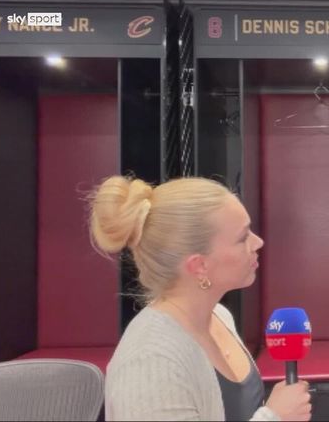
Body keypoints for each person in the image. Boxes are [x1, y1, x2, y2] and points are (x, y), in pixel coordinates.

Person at [89, 176, 312, 421]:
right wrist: (275, 416)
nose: (258, 242)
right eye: (242, 238)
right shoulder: (149, 361)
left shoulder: (220, 317)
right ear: (199, 265)